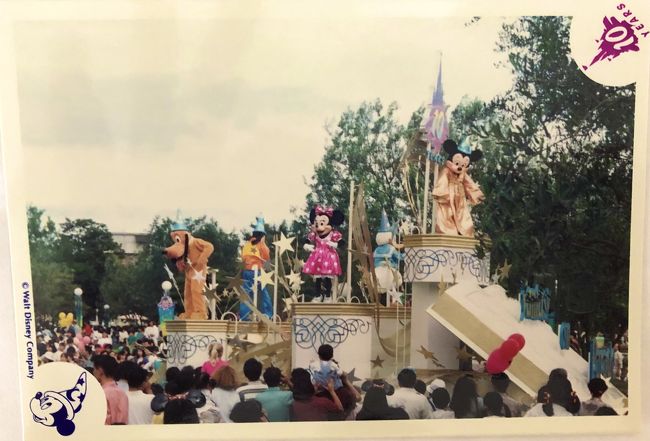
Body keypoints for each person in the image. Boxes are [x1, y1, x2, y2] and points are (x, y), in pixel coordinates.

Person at [240, 217, 273, 320]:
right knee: (263, 291)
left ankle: (245, 316)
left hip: (246, 271)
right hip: (257, 271)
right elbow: (266, 257)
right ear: (262, 235)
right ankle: (267, 314)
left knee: (246, 293)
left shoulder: (247, 244)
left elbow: (243, 257)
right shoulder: (261, 244)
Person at [93, 354, 129, 424]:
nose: (93, 372)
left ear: (100, 371)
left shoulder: (100, 393)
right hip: (121, 433)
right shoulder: (122, 393)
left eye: (94, 368)